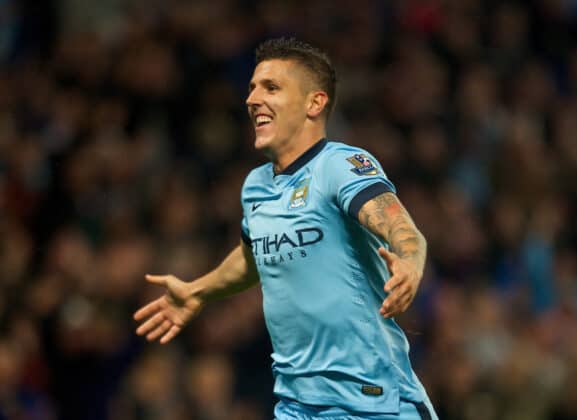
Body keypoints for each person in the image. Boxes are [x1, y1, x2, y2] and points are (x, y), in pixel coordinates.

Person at [134, 37, 438, 419]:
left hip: (374, 403)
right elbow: (253, 258)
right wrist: (198, 291)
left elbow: (401, 227)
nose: (252, 99)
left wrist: (410, 263)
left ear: (315, 102)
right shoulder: (256, 186)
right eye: (252, 88)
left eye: (271, 87)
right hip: (296, 406)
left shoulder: (339, 165)